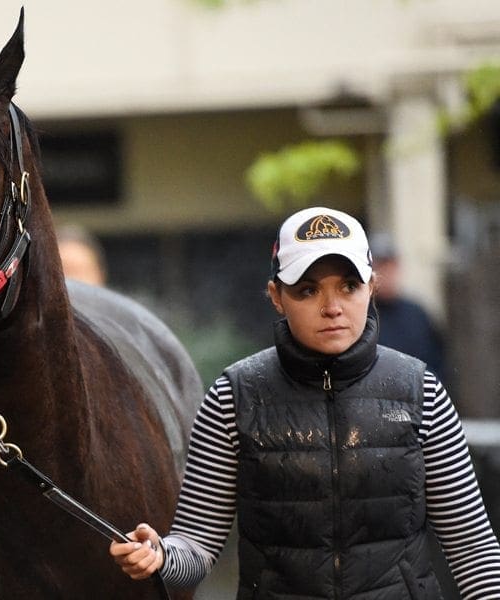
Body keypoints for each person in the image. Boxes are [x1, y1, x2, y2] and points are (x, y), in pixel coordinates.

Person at [109, 206, 500, 599]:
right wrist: (158, 554)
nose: (332, 307)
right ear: (276, 296)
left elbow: (473, 548)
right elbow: (195, 546)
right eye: (308, 290)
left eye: (349, 286)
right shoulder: (234, 395)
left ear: (372, 286)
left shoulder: (421, 391)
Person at [369, 232, 445, 379]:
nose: (385, 274)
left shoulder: (417, 314)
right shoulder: (361, 316)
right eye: (379, 267)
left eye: (390, 266)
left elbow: (438, 362)